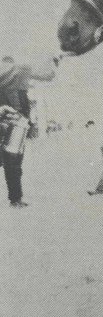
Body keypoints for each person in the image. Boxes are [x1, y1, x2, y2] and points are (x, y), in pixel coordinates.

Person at [0, 55, 57, 207]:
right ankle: (15, 199)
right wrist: (53, 61)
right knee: (14, 163)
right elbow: (48, 75)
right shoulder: (21, 69)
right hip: (17, 121)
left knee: (10, 162)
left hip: (5, 119)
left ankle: (15, 199)